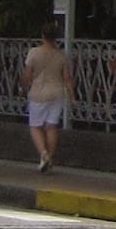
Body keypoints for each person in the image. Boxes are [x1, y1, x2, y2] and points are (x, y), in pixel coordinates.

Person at [22, 18, 72, 173]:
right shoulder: (61, 55)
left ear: (42, 35)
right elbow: (67, 77)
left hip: (38, 92)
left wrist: (23, 87)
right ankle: (49, 157)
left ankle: (43, 153)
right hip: (57, 92)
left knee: (35, 126)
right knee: (51, 126)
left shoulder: (34, 53)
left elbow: (27, 75)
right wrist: (72, 94)